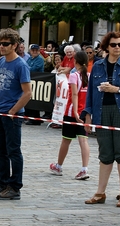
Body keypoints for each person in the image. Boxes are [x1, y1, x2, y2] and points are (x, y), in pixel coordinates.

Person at [82, 31, 120, 207]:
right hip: (101, 112)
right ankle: (100, 192)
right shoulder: (97, 65)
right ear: (106, 47)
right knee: (105, 153)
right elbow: (91, 92)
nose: (117, 47)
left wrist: (117, 89)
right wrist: (87, 113)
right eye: (113, 45)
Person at [0, 28, 32, 200]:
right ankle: (2, 183)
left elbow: (27, 93)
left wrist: (13, 110)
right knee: (1, 150)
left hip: (11, 113)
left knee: (13, 150)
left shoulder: (21, 65)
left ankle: (15, 186)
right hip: (0, 110)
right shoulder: (2, 61)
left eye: (5, 44)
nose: (1, 47)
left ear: (15, 45)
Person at [49, 51, 90, 180]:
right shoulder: (89, 75)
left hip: (72, 111)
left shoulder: (74, 75)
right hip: (84, 111)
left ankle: (59, 165)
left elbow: (74, 94)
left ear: (75, 61)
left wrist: (76, 111)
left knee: (66, 139)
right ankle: (84, 169)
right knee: (83, 140)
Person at [25, 44, 44, 126]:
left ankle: (35, 119)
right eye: (33, 50)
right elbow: (25, 65)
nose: (35, 52)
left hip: (37, 81)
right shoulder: (29, 58)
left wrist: (27, 68)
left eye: (36, 50)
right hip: (30, 81)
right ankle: (30, 117)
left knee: (35, 101)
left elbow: (34, 68)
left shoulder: (40, 59)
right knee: (31, 100)